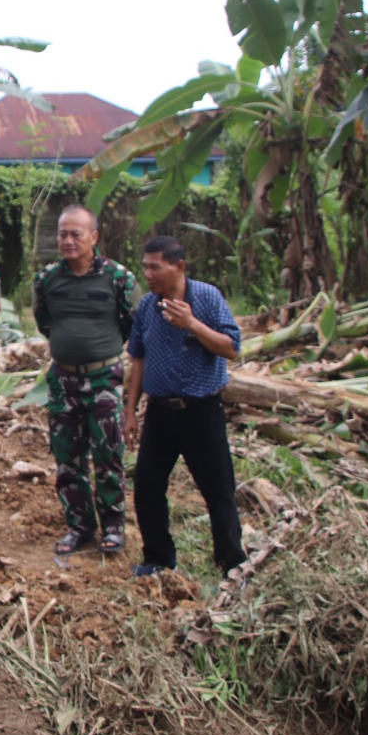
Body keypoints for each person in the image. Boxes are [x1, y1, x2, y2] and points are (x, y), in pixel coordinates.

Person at [122, 235, 247, 580]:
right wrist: (130, 411)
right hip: (160, 413)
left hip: (201, 412)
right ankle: (158, 559)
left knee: (218, 489)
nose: (147, 274)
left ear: (178, 267)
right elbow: (138, 359)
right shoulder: (147, 307)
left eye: (154, 267)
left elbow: (231, 348)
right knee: (147, 487)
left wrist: (192, 324)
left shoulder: (206, 298)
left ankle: (231, 562)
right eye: (145, 266)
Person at [32, 206, 142, 557]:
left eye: (75, 234)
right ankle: (79, 526)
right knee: (67, 458)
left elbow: (134, 324)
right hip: (62, 379)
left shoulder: (118, 278)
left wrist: (98, 348)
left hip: (104, 380)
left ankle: (113, 526)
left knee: (108, 455)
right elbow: (44, 321)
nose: (67, 240)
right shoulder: (47, 279)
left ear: (93, 237)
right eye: (62, 234)